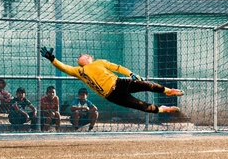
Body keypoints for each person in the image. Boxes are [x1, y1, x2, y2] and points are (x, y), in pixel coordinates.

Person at [40, 47, 184, 115]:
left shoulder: (99, 62)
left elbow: (117, 67)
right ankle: (162, 109)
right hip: (112, 96)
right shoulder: (79, 71)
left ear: (89, 58)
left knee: (146, 85)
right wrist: (52, 59)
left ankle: (168, 91)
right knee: (141, 106)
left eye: (81, 55)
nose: (79, 56)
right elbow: (64, 67)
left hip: (119, 83)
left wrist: (131, 73)